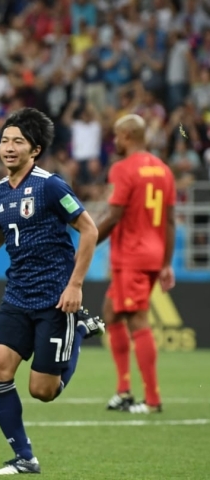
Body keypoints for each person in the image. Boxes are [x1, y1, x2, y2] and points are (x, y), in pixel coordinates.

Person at [0, 108, 105, 475]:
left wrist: (75, 285)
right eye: (5, 140)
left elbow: (89, 230)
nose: (9, 148)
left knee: (43, 391)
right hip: (17, 295)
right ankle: (25, 458)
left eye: (19, 142)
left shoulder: (51, 185)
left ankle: (78, 330)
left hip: (56, 298)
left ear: (36, 150)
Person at [96, 114, 176, 414]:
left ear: (127, 135)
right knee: (111, 312)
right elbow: (169, 221)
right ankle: (123, 390)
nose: (114, 141)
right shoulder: (163, 171)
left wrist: (87, 245)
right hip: (152, 254)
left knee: (137, 320)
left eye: (116, 136)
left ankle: (152, 399)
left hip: (132, 255)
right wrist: (166, 263)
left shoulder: (123, 168)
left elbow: (114, 215)